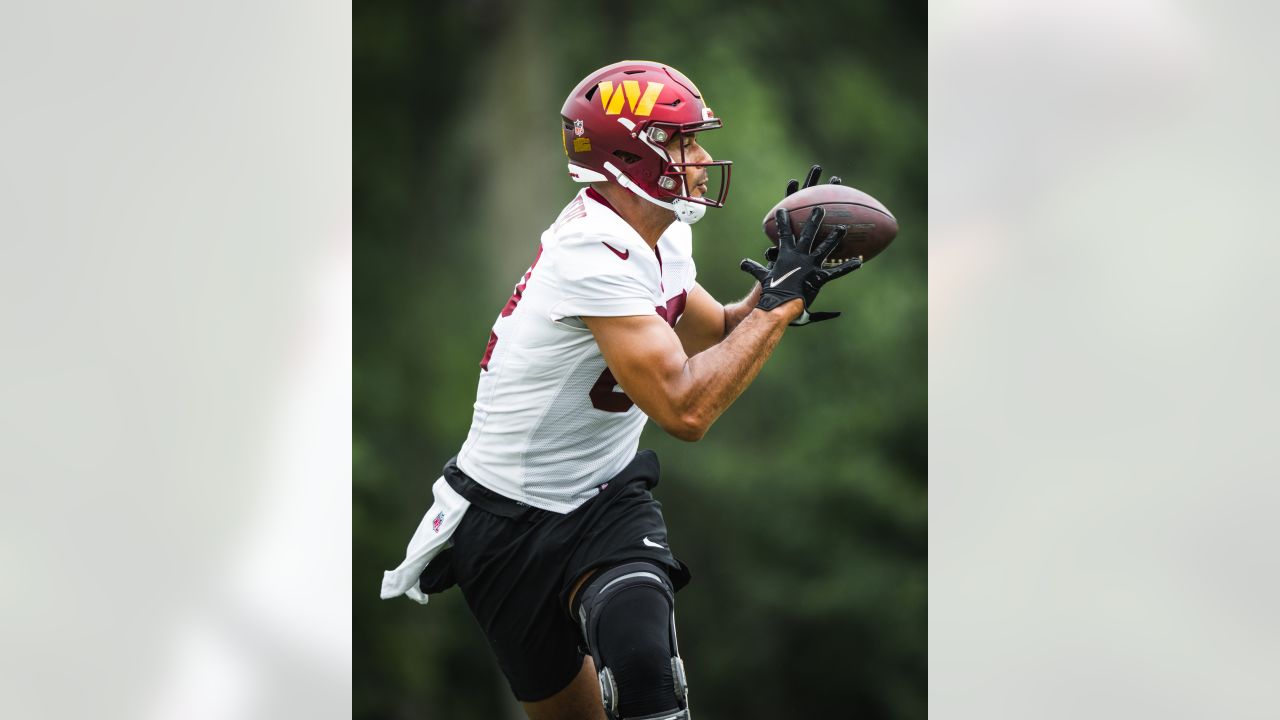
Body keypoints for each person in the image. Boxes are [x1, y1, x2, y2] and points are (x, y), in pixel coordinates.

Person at [380, 60, 863, 720]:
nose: (702, 157)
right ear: (631, 156)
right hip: (505, 519)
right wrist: (779, 308)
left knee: (644, 668)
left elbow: (714, 330)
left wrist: (782, 286)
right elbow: (685, 409)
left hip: (605, 495)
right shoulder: (592, 250)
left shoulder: (659, 235)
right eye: (682, 141)